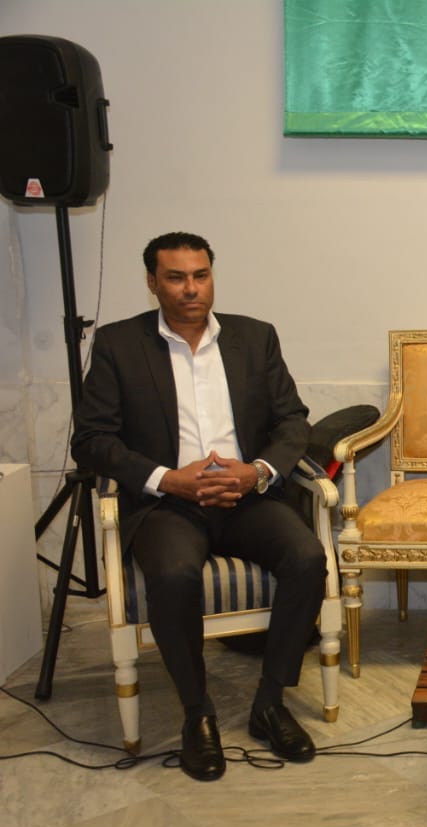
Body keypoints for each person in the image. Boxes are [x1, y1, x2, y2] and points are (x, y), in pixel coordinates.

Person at [72, 232, 326, 781]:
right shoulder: (119, 344)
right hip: (167, 504)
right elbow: (91, 439)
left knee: (307, 557)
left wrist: (256, 471)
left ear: (212, 275)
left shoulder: (255, 337)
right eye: (176, 277)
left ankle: (269, 703)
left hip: (244, 496)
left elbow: (292, 420)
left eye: (201, 275)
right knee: (172, 575)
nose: (191, 288)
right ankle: (197, 714)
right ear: (152, 283)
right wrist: (168, 479)